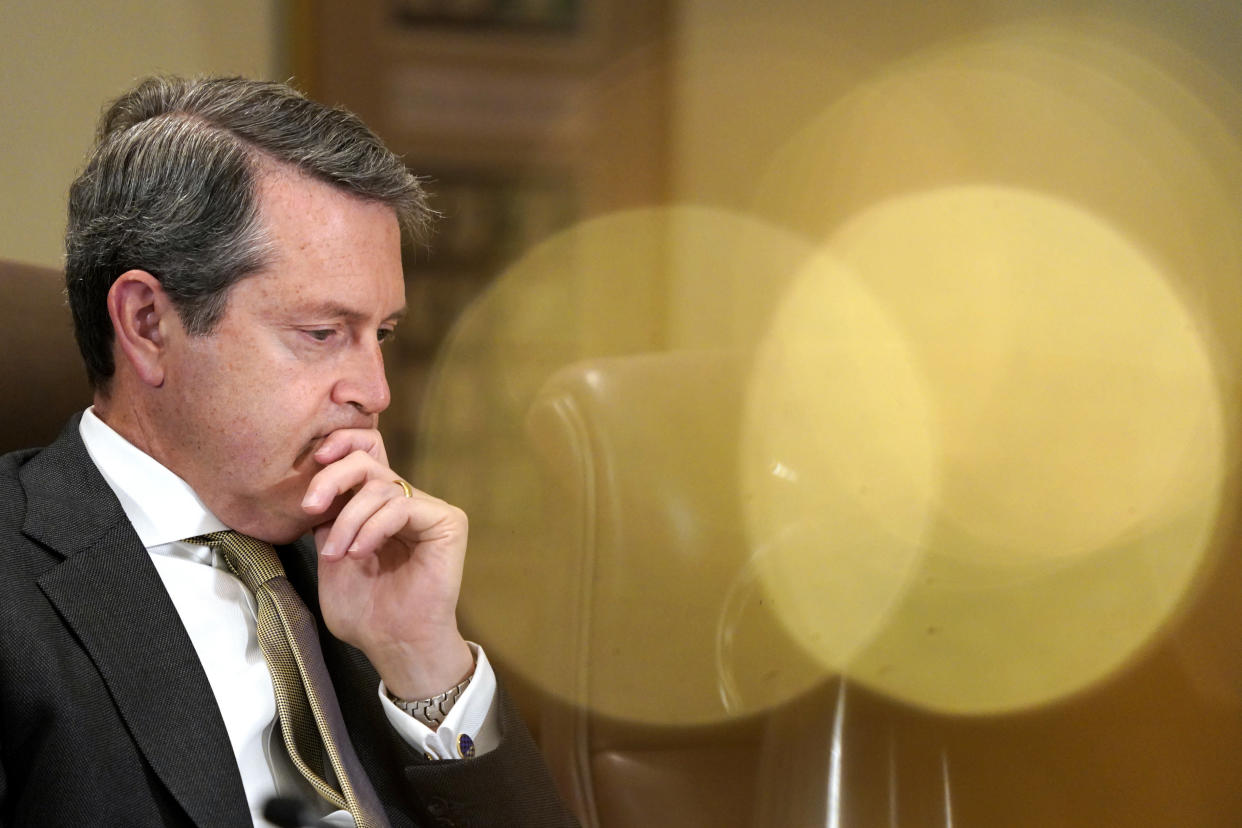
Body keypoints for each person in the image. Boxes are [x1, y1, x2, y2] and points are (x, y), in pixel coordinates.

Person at [0, 76, 578, 827]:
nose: (375, 391)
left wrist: (422, 664)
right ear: (147, 324)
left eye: (384, 336)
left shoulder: (369, 562)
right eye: (321, 334)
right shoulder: (17, 589)